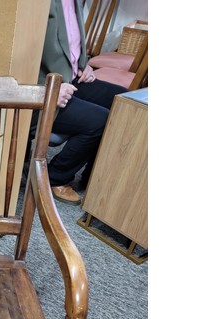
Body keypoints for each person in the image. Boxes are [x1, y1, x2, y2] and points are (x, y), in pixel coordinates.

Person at [38, 0, 128, 205]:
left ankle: (93, 174)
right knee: (99, 120)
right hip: (44, 84)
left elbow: (71, 41)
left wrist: (83, 64)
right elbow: (17, 54)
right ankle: (54, 177)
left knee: (122, 100)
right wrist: (45, 87)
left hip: (71, 76)